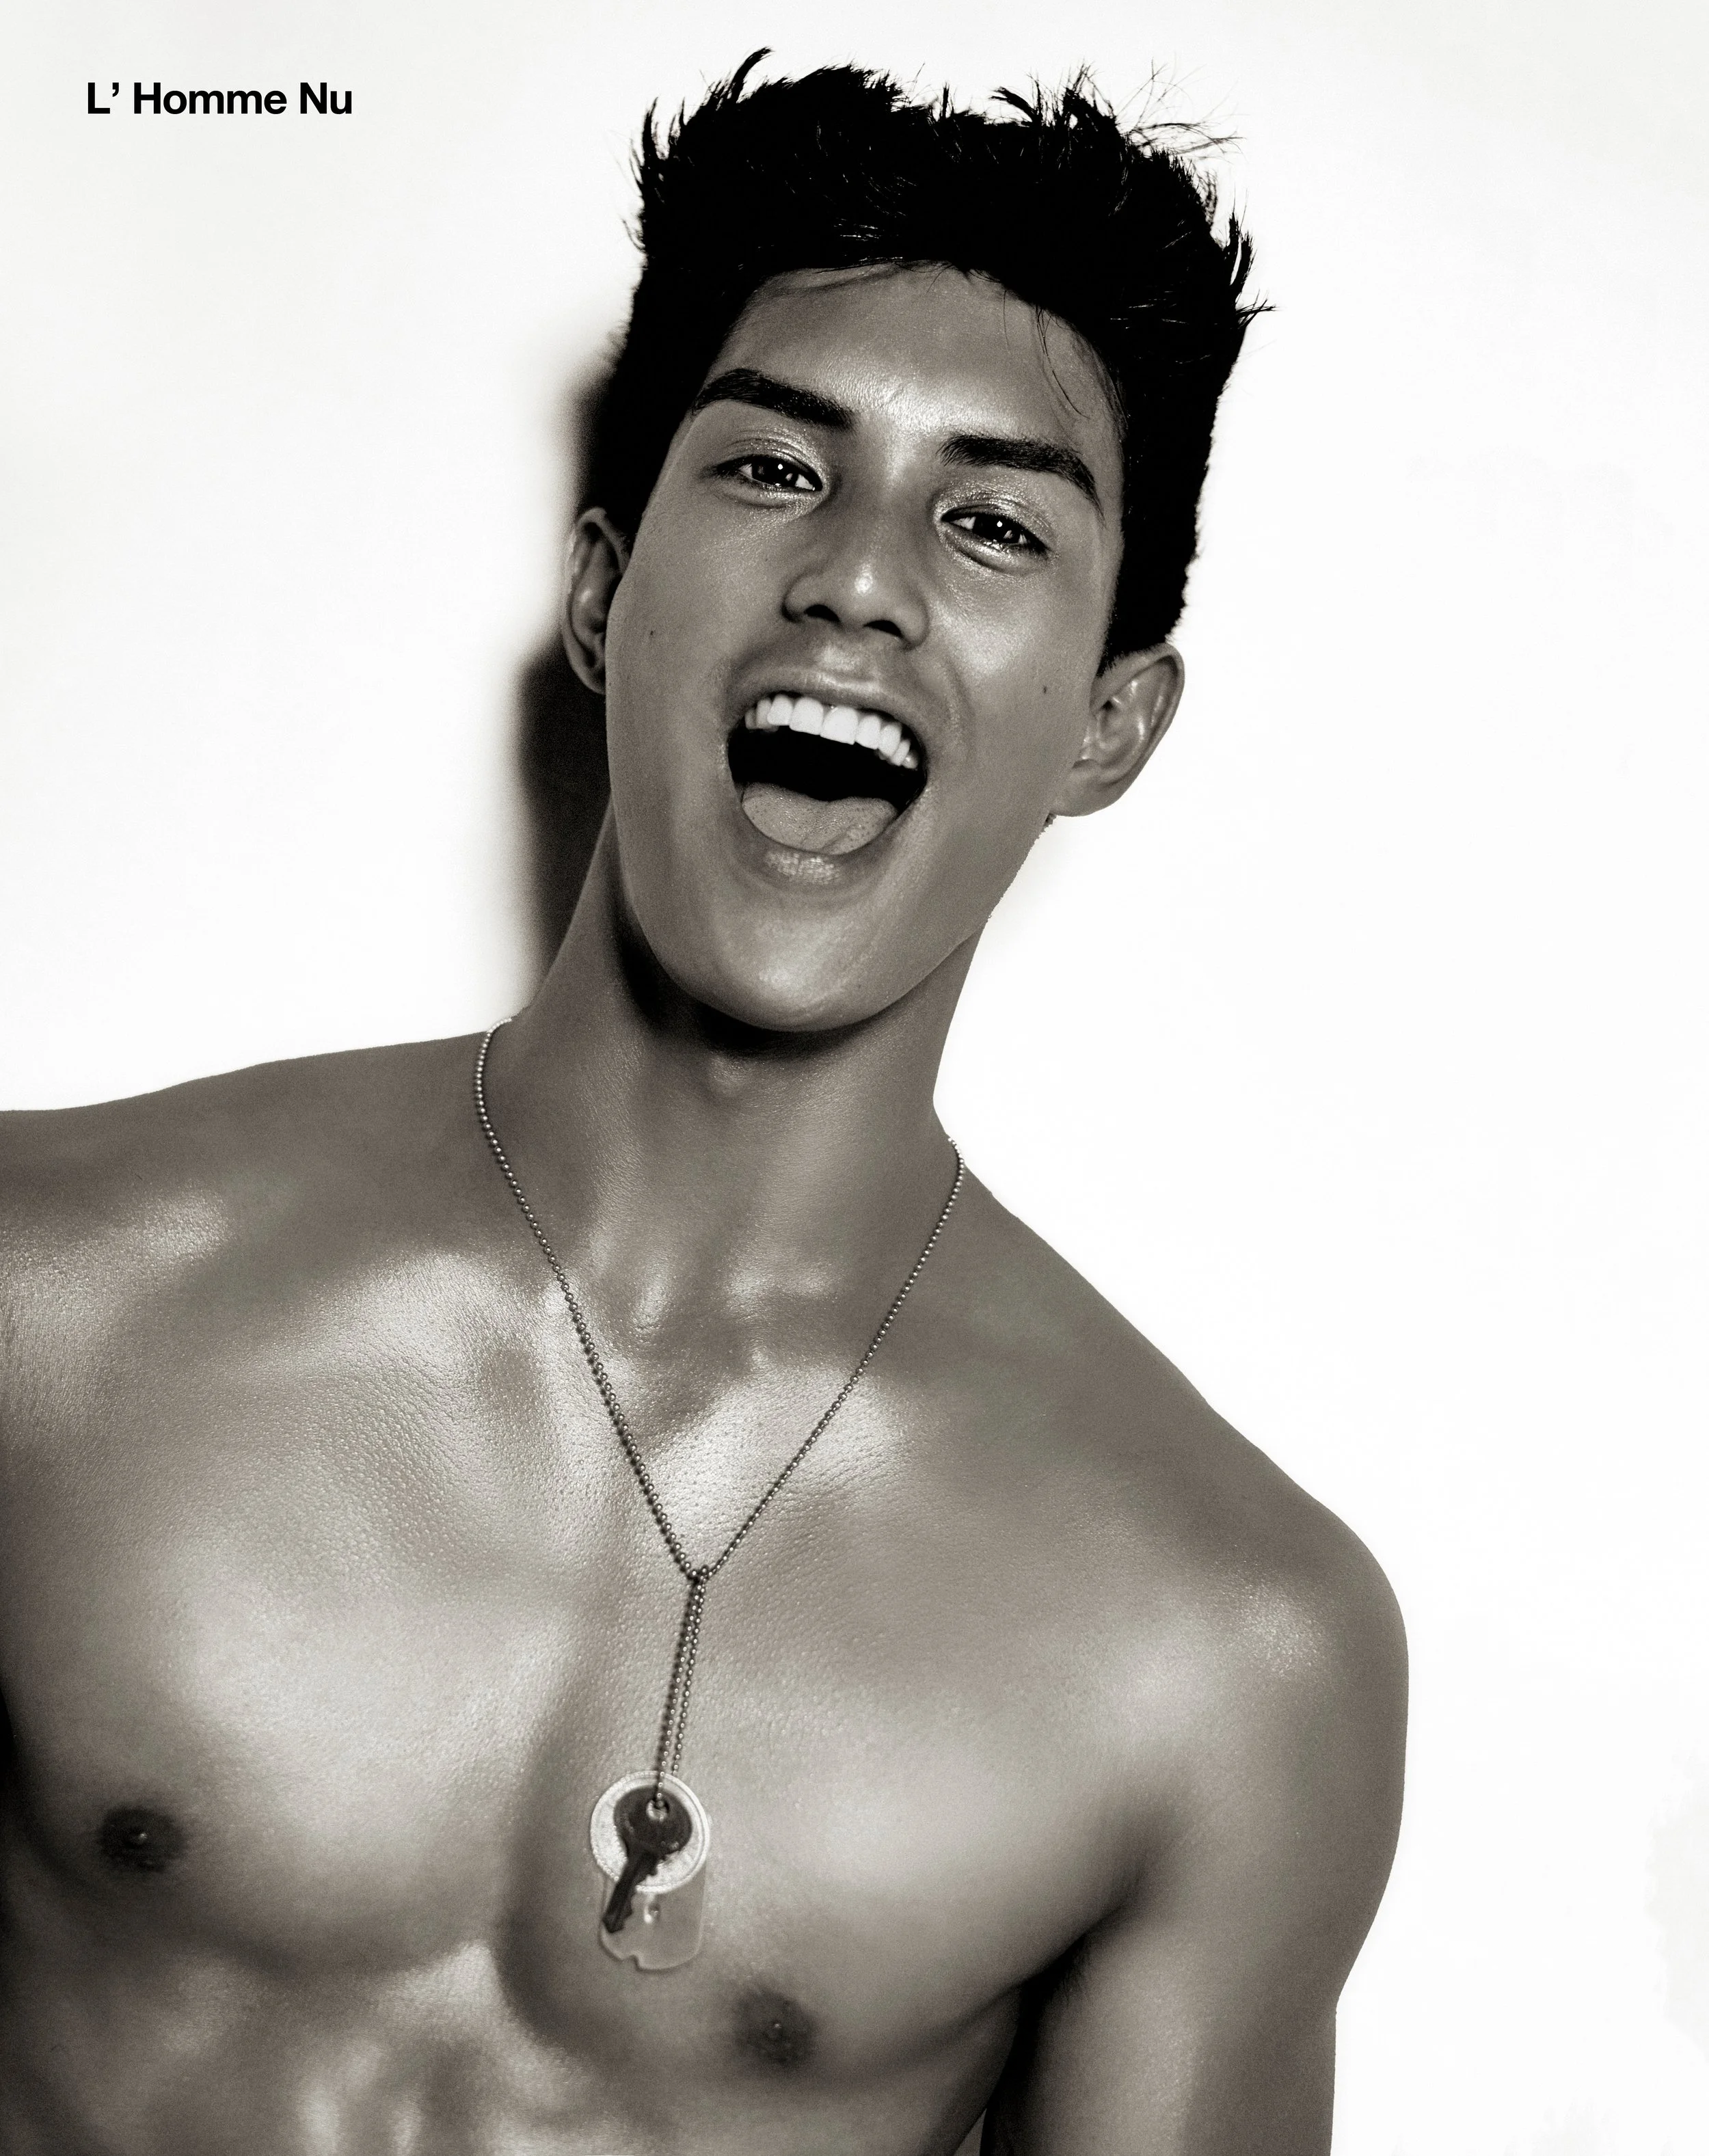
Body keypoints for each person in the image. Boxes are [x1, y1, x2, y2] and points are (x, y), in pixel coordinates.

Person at [0, 57, 1405, 2155]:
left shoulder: (1221, 1654)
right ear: (600, 596)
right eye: (770, 469)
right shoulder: (46, 1310)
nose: (859, 580)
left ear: (1109, 723)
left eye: (994, 520)